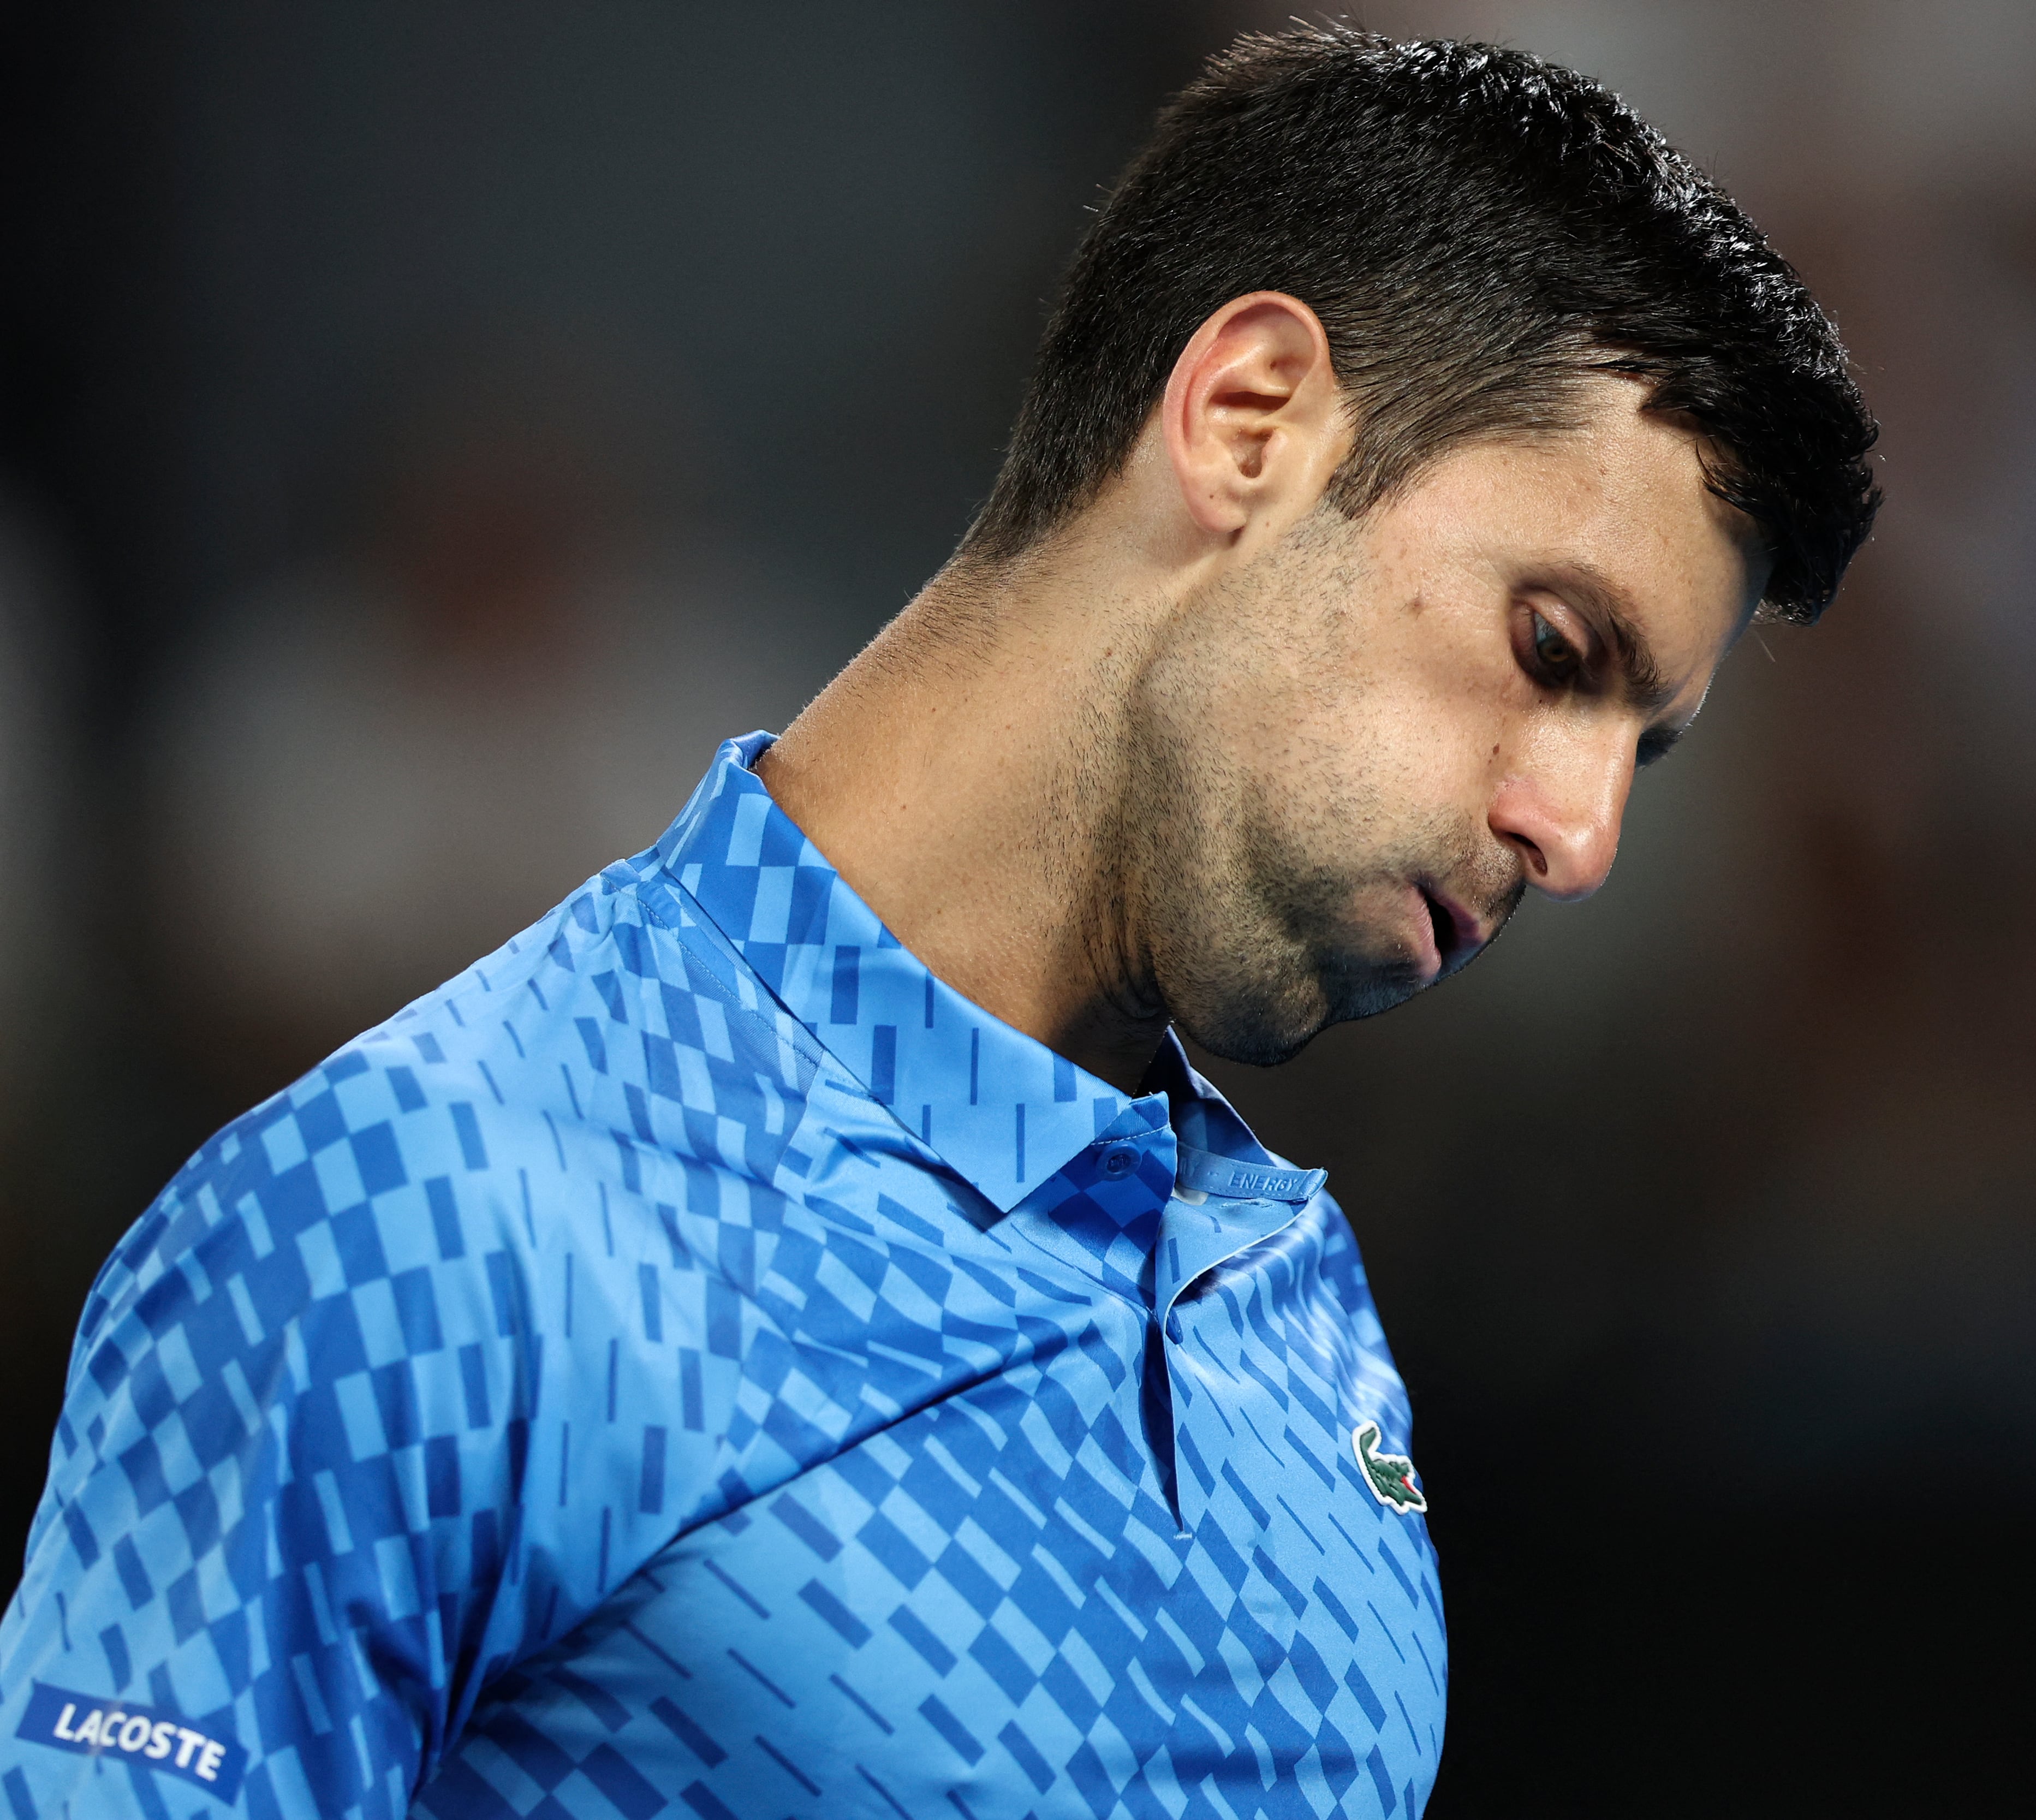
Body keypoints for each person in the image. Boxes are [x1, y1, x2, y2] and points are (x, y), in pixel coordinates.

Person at [0, 26, 1874, 1819]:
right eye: (1554, 650)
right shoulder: (398, 1230)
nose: (1582, 831)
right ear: (1247, 418)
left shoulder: (1303, 1324)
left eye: (1647, 745)